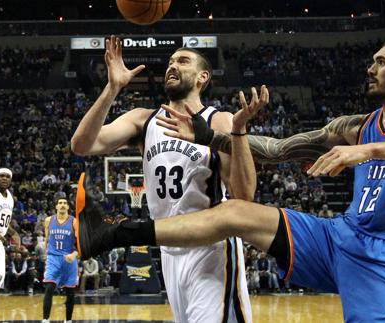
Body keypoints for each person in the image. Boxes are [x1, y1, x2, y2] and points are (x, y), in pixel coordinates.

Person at [76, 35, 385, 321]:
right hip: (339, 237)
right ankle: (115, 232)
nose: (370, 68)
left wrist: (367, 150)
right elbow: (278, 150)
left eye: (381, 62)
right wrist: (212, 135)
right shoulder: (356, 125)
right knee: (235, 211)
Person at [71, 35, 268, 323]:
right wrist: (112, 88)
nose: (172, 66)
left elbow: (244, 195)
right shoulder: (143, 119)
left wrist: (238, 133)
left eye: (183, 61)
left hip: (210, 248)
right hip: (169, 249)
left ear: (203, 77)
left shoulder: (219, 120)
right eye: (170, 62)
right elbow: (82, 145)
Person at [0, 168, 20, 323]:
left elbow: (3, 223)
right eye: (1, 175)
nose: (4, 178)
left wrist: (13, 233)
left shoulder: (10, 199)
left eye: (8, 176)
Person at [42, 198, 79, 323]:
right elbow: (47, 239)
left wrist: (74, 254)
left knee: (70, 291)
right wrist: (46, 251)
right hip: (53, 258)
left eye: (65, 203)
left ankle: (68, 320)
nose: (62, 205)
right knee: (49, 287)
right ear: (56, 207)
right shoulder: (48, 220)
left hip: (69, 259)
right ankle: (45, 319)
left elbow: (81, 243)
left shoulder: (74, 222)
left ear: (68, 207)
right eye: (60, 203)